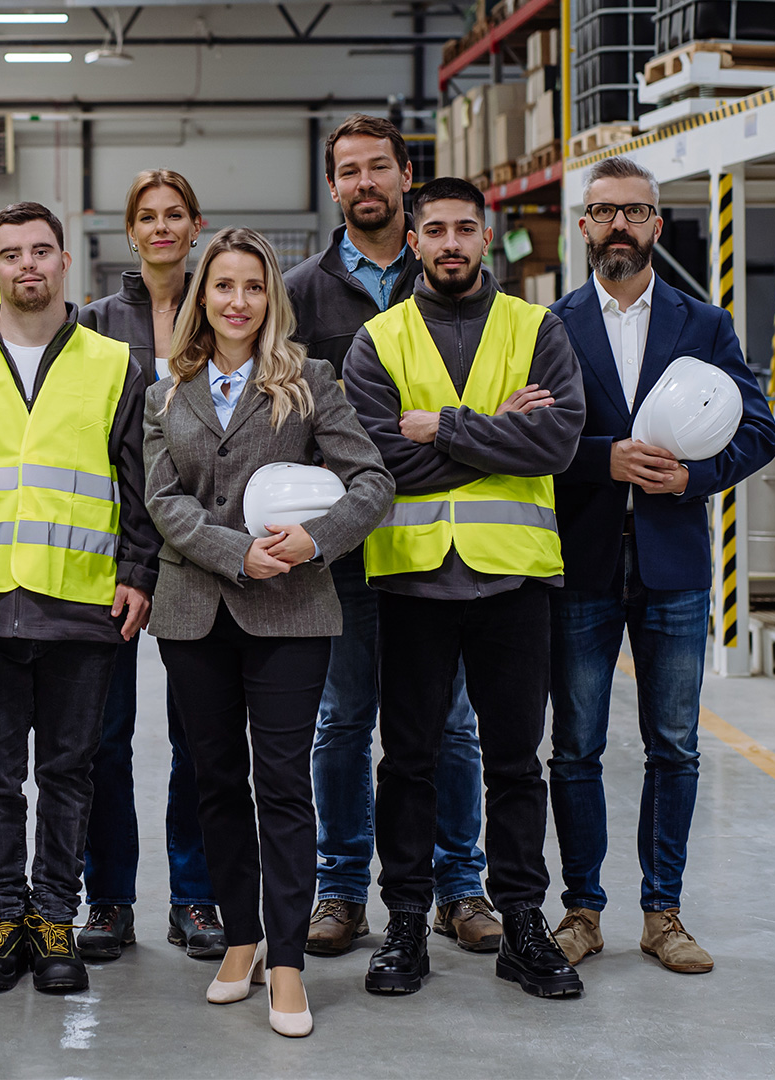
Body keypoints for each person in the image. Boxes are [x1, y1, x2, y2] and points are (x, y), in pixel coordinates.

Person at [146, 228, 394, 1038]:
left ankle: (286, 963)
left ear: (271, 299)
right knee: (215, 781)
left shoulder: (310, 380)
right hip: (194, 613)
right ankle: (241, 938)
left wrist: (316, 540)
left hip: (292, 610)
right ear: (201, 298)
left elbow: (371, 481)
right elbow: (163, 501)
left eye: (253, 286)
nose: (238, 301)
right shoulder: (165, 392)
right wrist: (235, 553)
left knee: (284, 786)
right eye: (222, 286)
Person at [343, 176, 587, 1000]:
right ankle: (407, 922)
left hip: (512, 580)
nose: (450, 243)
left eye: (464, 230)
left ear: (487, 240)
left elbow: (555, 442)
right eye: (435, 230)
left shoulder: (536, 328)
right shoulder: (378, 340)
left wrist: (442, 426)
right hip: (412, 581)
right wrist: (498, 430)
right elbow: (380, 461)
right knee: (407, 761)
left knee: (516, 763)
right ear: (413, 242)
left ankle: (523, 922)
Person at [545, 156, 775, 974]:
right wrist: (603, 460)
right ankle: (580, 910)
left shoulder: (704, 324)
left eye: (633, 212)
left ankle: (663, 912)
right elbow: (530, 444)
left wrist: (695, 476)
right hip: (579, 564)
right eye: (603, 212)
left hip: (673, 563)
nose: (618, 226)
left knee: (674, 746)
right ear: (583, 226)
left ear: (657, 224)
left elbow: (760, 430)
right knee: (573, 748)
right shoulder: (549, 325)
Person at [0, 202, 156, 996]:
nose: (28, 265)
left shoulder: (116, 363)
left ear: (65, 264)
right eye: (12, 252)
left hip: (80, 603)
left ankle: (54, 917)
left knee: (68, 771)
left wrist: (139, 573)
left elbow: (141, 485)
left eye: (42, 251)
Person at [282, 115, 499, 956]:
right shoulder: (299, 293)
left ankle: (459, 885)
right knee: (342, 720)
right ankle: (340, 890)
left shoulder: (456, 275)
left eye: (380, 167)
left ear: (407, 178)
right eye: (350, 171)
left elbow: (494, 405)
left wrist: (453, 433)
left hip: (434, 536)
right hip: (338, 547)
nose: (365, 182)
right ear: (332, 187)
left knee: (448, 722)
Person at [75, 168, 225, 962]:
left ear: (195, 224)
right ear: (130, 231)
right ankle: (110, 899)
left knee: (199, 737)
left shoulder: (229, 309)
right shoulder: (96, 323)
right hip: (120, 554)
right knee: (105, 737)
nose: (162, 227)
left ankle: (196, 898)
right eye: (148, 216)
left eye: (175, 214)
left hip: (201, 551)